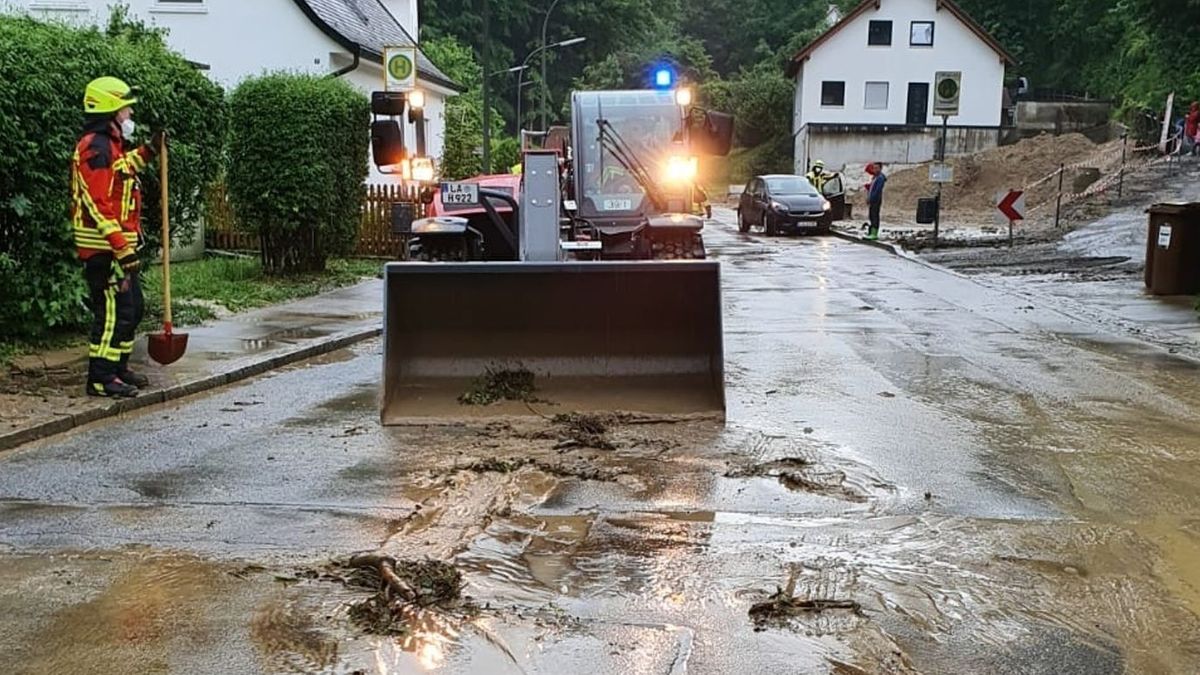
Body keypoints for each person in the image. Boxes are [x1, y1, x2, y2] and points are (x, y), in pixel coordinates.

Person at [72, 76, 163, 397]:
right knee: (113, 314)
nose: (129, 117)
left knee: (133, 308)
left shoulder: (110, 146)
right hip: (104, 250)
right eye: (125, 110)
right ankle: (100, 377)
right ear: (110, 111)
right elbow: (97, 203)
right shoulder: (95, 149)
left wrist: (150, 150)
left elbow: (123, 170)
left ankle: (118, 368)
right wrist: (121, 247)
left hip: (117, 247)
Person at [865, 162, 886, 241]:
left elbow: (877, 190)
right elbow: (872, 189)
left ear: (880, 168)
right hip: (872, 199)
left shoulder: (880, 178)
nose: (875, 169)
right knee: (871, 215)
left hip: (876, 200)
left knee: (874, 216)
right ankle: (871, 232)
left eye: (877, 168)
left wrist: (871, 198)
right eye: (874, 168)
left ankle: (874, 233)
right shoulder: (875, 177)